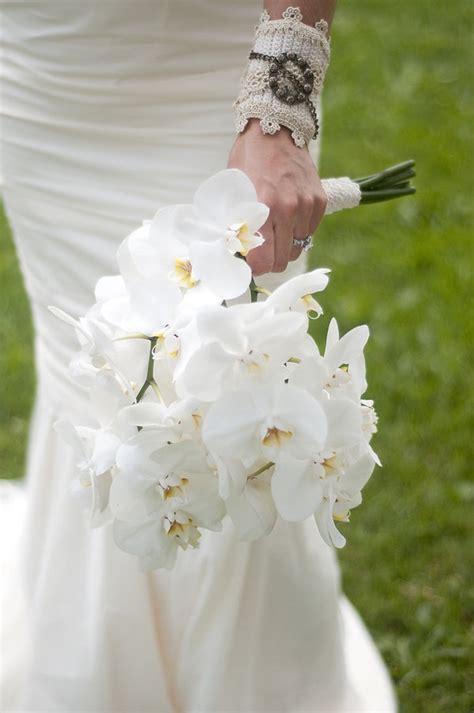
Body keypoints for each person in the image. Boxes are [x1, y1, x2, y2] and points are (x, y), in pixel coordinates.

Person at [0, 2, 397, 710]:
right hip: (46, 70)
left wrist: (280, 102)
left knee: (238, 386)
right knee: (88, 374)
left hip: (215, 75)